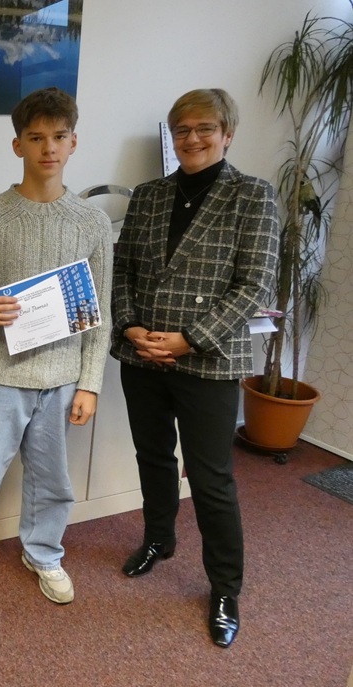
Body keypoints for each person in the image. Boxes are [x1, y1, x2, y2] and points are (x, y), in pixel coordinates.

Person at [111, 88, 279, 648]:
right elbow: (122, 269)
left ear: (228, 133)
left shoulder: (253, 195)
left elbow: (254, 284)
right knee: (153, 456)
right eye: (182, 129)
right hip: (143, 354)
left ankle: (226, 588)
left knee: (211, 478)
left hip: (208, 359)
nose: (192, 138)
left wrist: (190, 340)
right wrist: (129, 325)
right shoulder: (148, 195)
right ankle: (159, 539)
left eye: (205, 128)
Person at [0, 87, 112, 620]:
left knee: (52, 482)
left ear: (74, 142)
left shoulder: (93, 222)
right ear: (18, 145)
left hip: (61, 379)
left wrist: (90, 383)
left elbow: (100, 312)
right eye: (36, 138)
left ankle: (44, 554)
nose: (48, 148)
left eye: (59, 137)